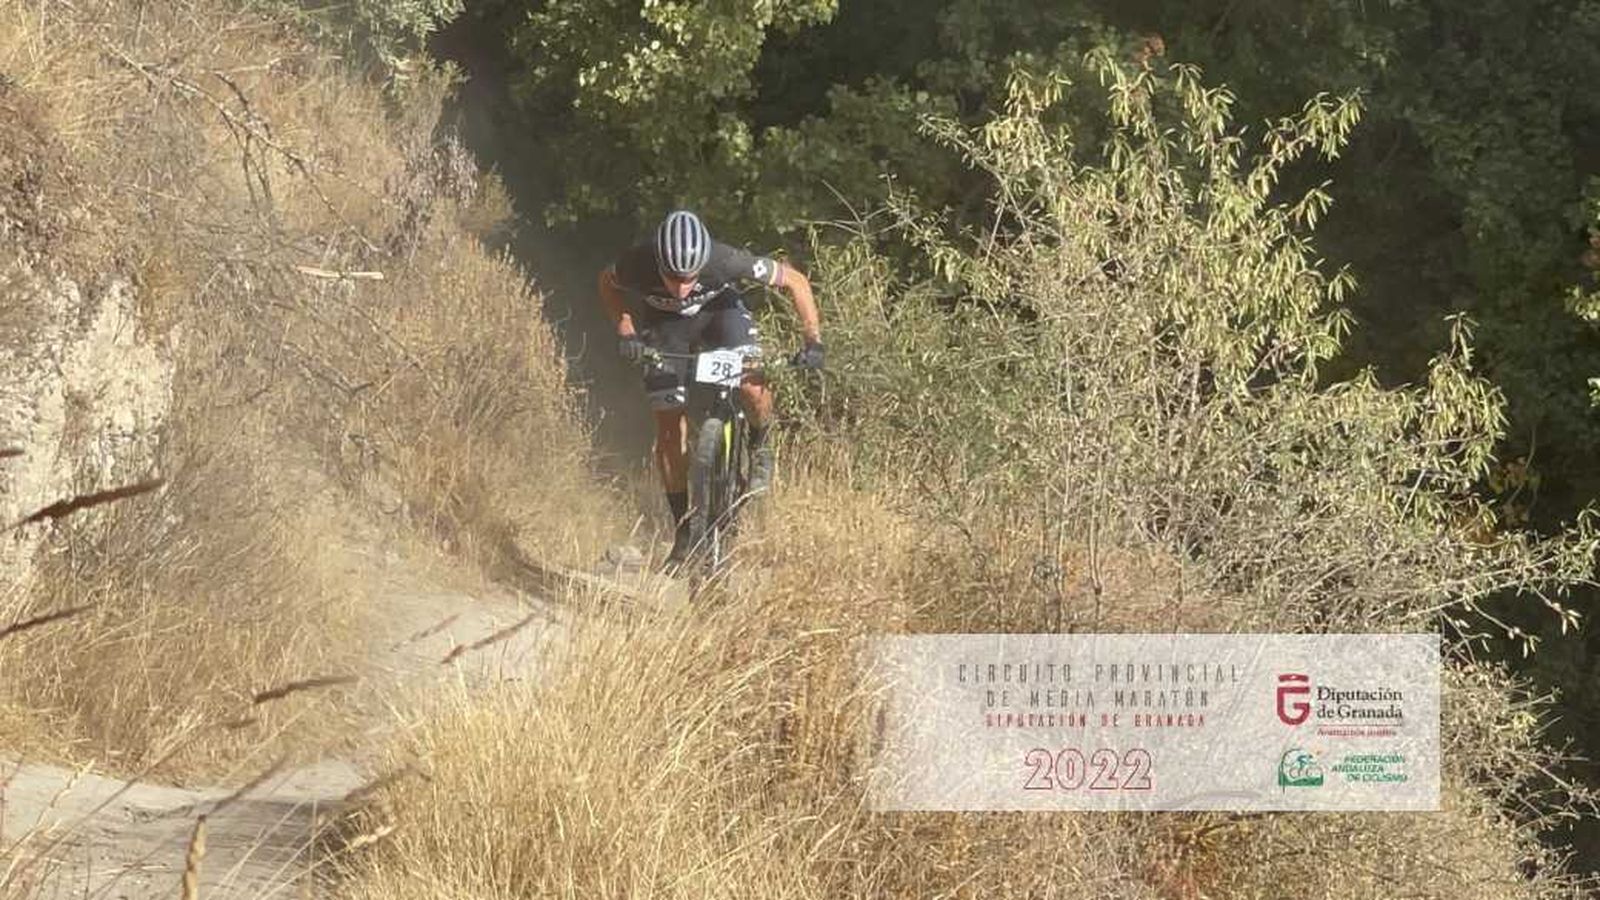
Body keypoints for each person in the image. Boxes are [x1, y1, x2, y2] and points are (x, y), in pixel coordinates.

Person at [598, 209, 824, 565]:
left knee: (751, 384)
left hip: (722, 316)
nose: (683, 287)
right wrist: (625, 328)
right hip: (667, 326)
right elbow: (607, 284)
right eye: (673, 278)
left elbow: (795, 281)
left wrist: (813, 340)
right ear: (657, 262)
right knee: (669, 427)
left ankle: (760, 441)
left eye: (690, 277)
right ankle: (684, 532)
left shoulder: (725, 260)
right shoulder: (637, 262)